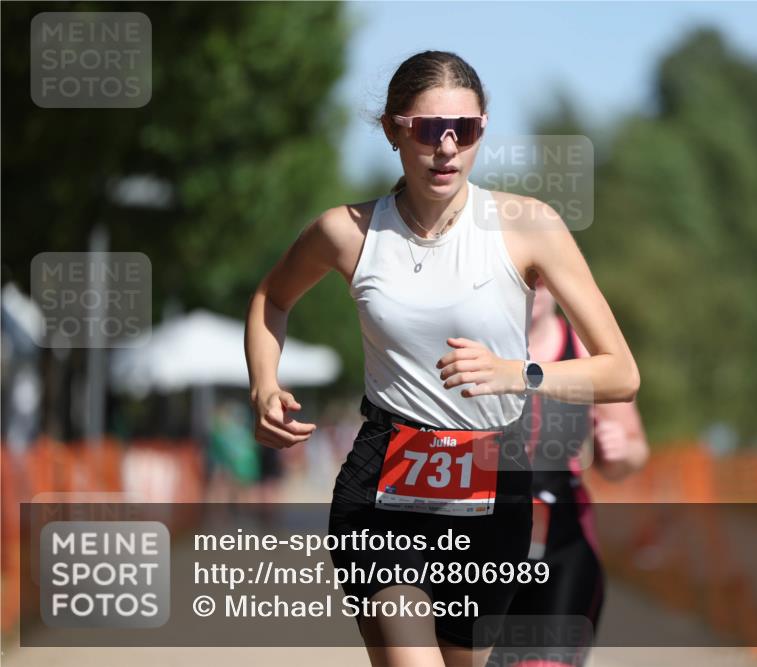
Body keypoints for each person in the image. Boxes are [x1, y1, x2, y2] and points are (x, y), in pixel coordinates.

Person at [244, 50, 640, 667]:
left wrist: (517, 373)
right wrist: (264, 385)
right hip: (384, 482)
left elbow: (621, 372)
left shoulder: (528, 226)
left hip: (494, 484)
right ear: (393, 130)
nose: (448, 147)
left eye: (467, 129)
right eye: (430, 129)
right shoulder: (348, 232)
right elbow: (272, 298)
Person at [490, 276, 649, 667]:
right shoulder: (472, 346)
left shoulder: (586, 351)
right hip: (478, 542)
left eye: (542, 282)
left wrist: (618, 450)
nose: (532, 292)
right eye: (521, 280)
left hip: (563, 541)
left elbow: (635, 450)